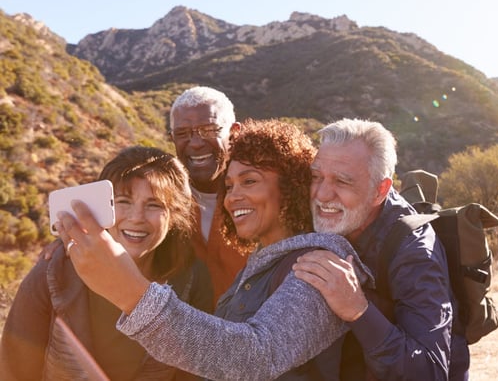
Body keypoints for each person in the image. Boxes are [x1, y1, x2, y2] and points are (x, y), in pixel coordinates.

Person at [54, 119, 373, 381]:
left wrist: (133, 295)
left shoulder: (322, 260)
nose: (232, 197)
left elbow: (257, 358)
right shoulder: (260, 266)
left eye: (249, 181)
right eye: (229, 186)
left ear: (291, 185)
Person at [0, 146, 213, 381]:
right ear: (101, 208)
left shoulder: (191, 280)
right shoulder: (53, 273)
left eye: (154, 205)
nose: (136, 217)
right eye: (123, 201)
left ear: (174, 216)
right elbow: (14, 371)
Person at [292, 118, 470, 380]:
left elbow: (431, 371)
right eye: (316, 177)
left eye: (342, 181)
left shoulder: (415, 253)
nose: (322, 194)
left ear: (380, 190)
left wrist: (358, 310)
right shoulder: (335, 218)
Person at [169, 86, 248, 302]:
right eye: (183, 134)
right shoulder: (163, 200)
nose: (195, 143)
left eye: (209, 130)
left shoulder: (264, 196)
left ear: (234, 133)